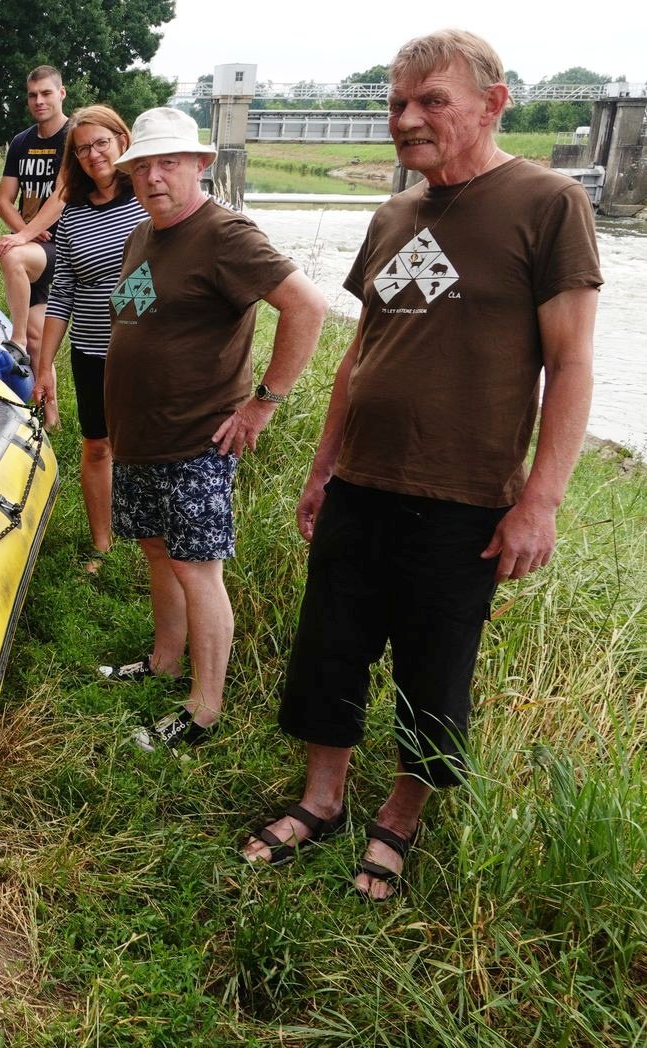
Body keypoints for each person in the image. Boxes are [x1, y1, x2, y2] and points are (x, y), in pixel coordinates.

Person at [240, 30, 601, 902]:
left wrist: (541, 501)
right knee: (330, 648)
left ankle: (401, 814)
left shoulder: (547, 203)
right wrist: (323, 466)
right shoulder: (394, 215)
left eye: (432, 100)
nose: (407, 118)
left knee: (434, 667)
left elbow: (572, 364)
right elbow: (360, 353)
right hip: (361, 481)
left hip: (463, 496)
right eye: (397, 102)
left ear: (493, 103)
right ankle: (322, 798)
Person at [98, 107, 328, 753]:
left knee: (197, 567)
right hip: (140, 436)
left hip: (197, 439)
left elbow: (308, 306)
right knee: (156, 550)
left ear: (200, 164)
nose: (153, 176)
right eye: (142, 166)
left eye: (168, 162)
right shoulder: (142, 235)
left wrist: (263, 403)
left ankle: (204, 709)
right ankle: (164, 661)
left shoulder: (227, 235)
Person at [31, 104, 147, 569]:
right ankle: (102, 543)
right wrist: (45, 366)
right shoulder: (74, 212)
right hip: (91, 350)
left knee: (146, 447)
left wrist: (130, 325)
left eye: (102, 142)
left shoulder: (146, 197)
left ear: (122, 141)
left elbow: (159, 267)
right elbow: (63, 290)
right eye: (82, 149)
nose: (94, 154)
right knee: (97, 444)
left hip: (145, 352)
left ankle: (151, 543)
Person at [0, 66, 71, 362]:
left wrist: (24, 235)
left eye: (46, 93)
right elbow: (3, 201)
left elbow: (62, 195)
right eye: (32, 95)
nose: (39, 101)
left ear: (61, 93)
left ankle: (17, 341)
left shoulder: (73, 137)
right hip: (33, 244)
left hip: (62, 244)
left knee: (12, 255)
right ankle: (43, 393)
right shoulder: (21, 142)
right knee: (39, 342)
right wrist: (25, 233)